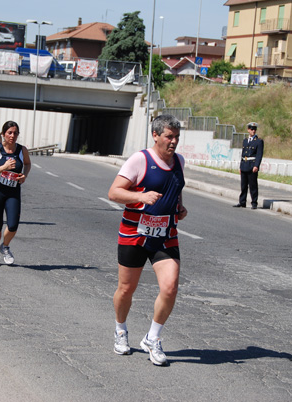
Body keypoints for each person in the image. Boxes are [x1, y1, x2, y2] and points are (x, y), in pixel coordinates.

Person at [108, 114, 187, 366]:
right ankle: (121, 330)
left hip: (165, 235)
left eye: (176, 137)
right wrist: (141, 197)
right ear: (156, 135)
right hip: (134, 233)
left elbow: (175, 189)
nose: (173, 142)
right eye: (169, 136)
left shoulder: (180, 162)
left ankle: (153, 338)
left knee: (170, 286)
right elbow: (114, 192)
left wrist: (179, 208)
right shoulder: (140, 160)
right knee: (126, 289)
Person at [0, 121, 31, 267]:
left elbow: (28, 164)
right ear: (3, 134)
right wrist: (3, 167)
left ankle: (5, 246)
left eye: (15, 133)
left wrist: (24, 175)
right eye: (9, 132)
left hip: (13, 191)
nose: (12, 135)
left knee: (13, 225)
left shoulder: (22, 150)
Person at [233, 122, 264, 210]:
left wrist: (256, 165)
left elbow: (259, 155)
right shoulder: (245, 141)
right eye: (251, 129)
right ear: (248, 130)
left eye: (254, 129)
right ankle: (242, 202)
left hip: (252, 165)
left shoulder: (258, 141)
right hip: (244, 165)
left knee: (253, 185)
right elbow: (243, 154)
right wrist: (240, 166)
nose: (253, 131)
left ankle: (254, 202)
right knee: (243, 185)